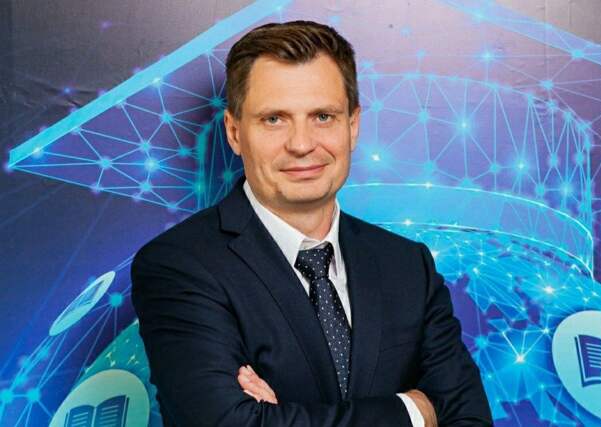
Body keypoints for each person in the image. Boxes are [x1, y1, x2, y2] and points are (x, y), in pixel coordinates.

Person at [131, 20, 493, 427]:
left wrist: (275, 418)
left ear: (352, 126)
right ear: (234, 132)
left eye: (323, 116)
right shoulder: (179, 266)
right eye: (274, 119)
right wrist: (413, 412)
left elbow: (471, 420)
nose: (302, 144)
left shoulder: (407, 265)